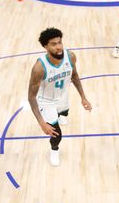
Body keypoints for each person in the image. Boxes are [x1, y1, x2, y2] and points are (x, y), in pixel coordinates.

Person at [27, 27, 92, 166]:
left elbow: (74, 76)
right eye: (53, 44)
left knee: (65, 112)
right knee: (56, 133)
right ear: (45, 46)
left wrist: (83, 97)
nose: (59, 47)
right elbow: (31, 97)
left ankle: (61, 115)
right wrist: (41, 122)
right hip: (46, 101)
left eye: (59, 42)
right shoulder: (39, 68)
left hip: (62, 95)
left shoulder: (71, 56)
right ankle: (54, 150)